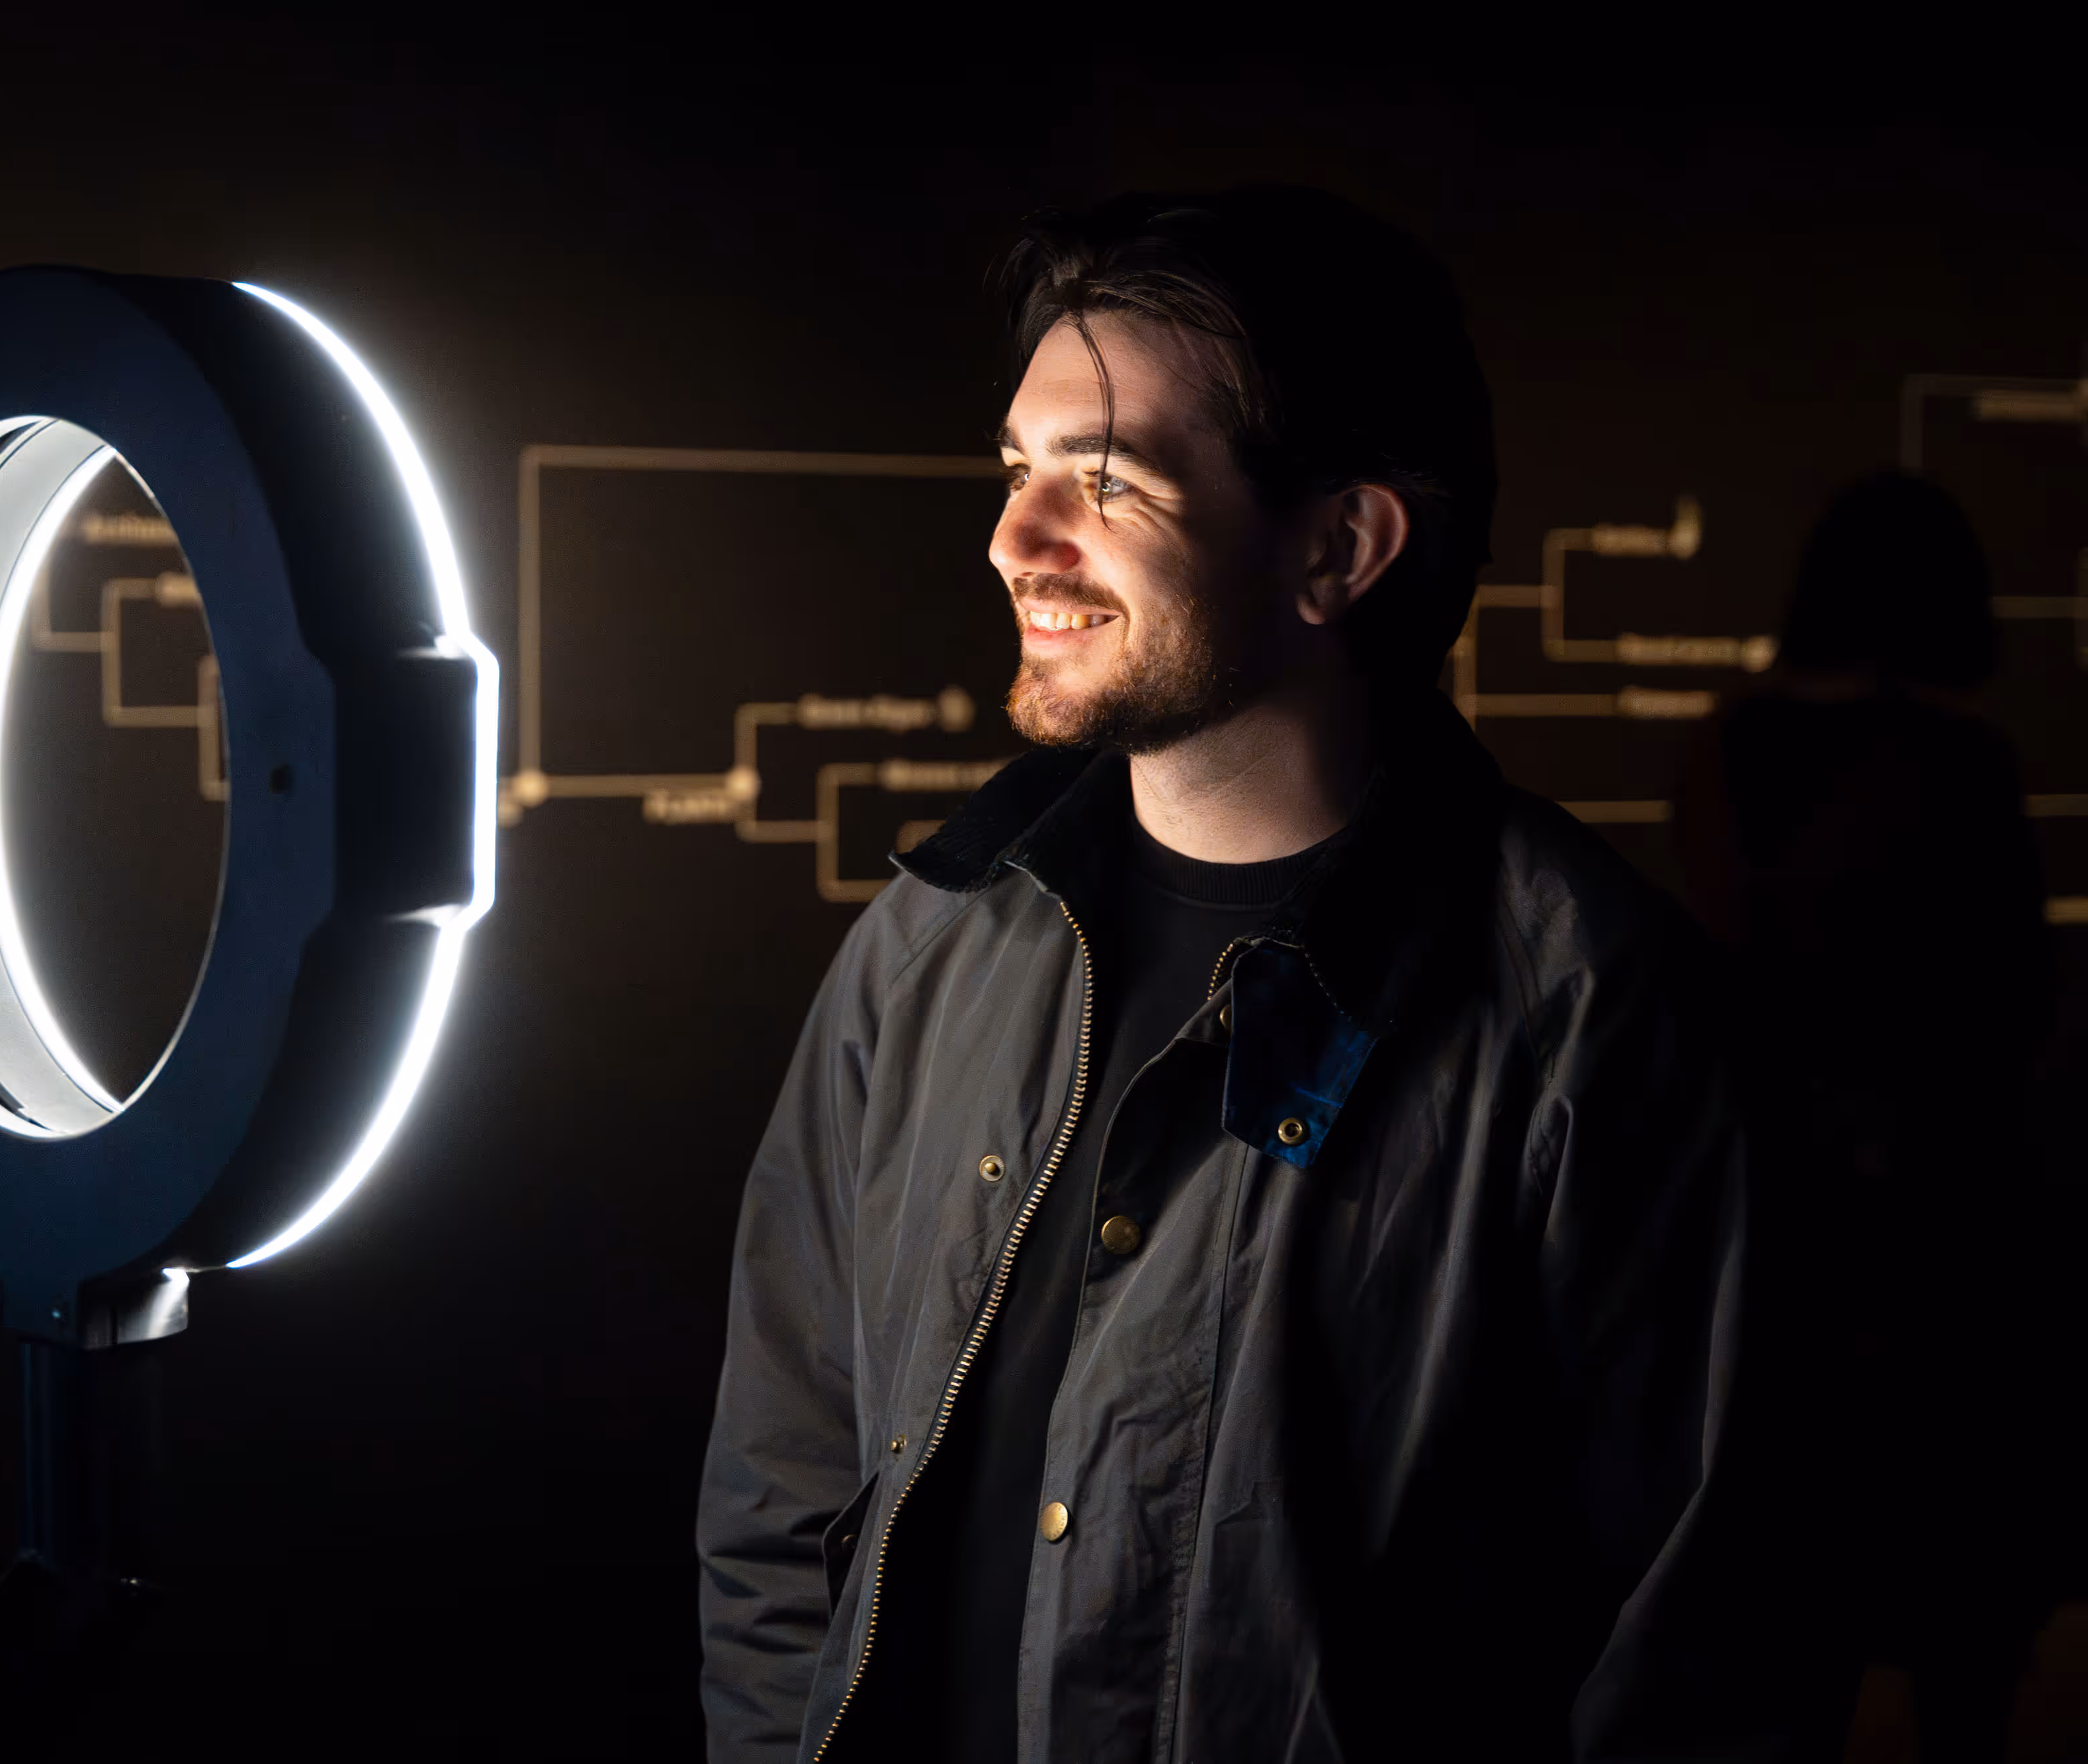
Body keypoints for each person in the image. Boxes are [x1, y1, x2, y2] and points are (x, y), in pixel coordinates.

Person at [696, 187, 1792, 1763]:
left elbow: (1691, 1650)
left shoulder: (1596, 1023)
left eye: (1104, 481)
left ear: (1337, 547)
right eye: (1017, 470)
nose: (1011, 540)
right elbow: (779, 1491)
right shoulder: (923, 945)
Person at [1678, 473, 2058, 1764]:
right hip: (1952, 1233)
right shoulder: (1962, 760)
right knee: (1960, 1605)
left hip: (1788, 1225)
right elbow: (2010, 1000)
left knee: (1796, 1587)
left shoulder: (1731, 745)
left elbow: (1720, 966)